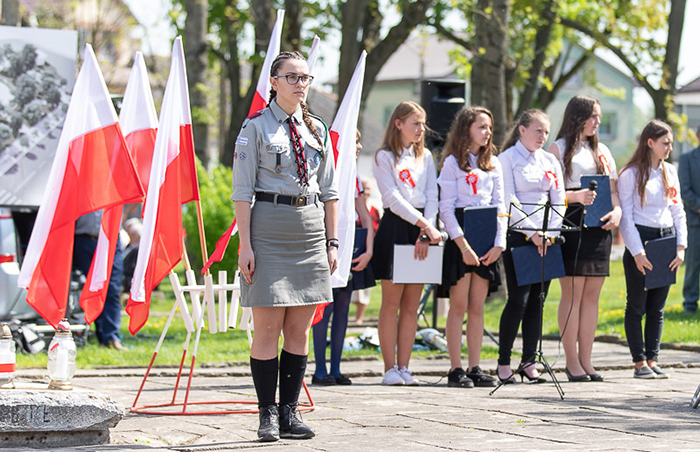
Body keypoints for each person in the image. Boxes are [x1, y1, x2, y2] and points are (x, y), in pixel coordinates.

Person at [231, 51, 338, 442]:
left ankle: (291, 413)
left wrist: (332, 240)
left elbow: (330, 191)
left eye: (305, 77)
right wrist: (246, 245)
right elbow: (242, 192)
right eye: (291, 77)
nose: (300, 84)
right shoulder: (255, 128)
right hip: (269, 230)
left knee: (299, 330)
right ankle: (267, 415)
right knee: (267, 329)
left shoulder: (318, 129)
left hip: (309, 232)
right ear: (273, 82)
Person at [547, 95, 622, 382]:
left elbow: (613, 191)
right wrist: (575, 196)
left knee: (592, 296)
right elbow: (550, 195)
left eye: (599, 116)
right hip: (572, 223)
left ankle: (588, 360)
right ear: (578, 116)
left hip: (600, 228)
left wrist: (617, 212)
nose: (598, 122)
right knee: (573, 294)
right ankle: (571, 361)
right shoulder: (558, 148)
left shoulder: (602, 150)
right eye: (593, 116)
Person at [372, 101, 441, 386]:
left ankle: (405, 366)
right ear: (398, 124)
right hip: (397, 228)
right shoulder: (384, 157)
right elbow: (392, 199)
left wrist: (427, 230)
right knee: (392, 303)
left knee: (412, 304)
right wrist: (424, 224)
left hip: (423, 231)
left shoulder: (425, 156)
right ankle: (389, 368)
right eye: (415, 123)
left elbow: (432, 196)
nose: (420, 129)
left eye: (422, 124)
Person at [496, 109, 565, 384]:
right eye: (538, 130)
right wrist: (532, 232)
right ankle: (503, 362)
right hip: (520, 236)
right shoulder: (507, 159)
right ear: (522, 129)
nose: (543, 136)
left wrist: (551, 232)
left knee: (539, 300)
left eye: (546, 132)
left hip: (547, 239)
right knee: (518, 300)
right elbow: (508, 199)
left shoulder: (549, 160)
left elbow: (558, 200)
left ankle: (529, 361)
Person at [437, 106, 503, 388]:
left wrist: (499, 243)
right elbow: (446, 209)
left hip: (486, 235)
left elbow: (501, 206)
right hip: (461, 237)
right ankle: (456, 368)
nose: (487, 132)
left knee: (478, 305)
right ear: (467, 129)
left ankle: (475, 366)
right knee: (459, 304)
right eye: (481, 127)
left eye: (489, 127)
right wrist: (462, 244)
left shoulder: (494, 163)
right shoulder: (452, 163)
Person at [618, 120, 687, 379]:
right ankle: (638, 362)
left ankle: (653, 358)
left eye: (670, 143)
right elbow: (626, 217)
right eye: (665, 143)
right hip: (642, 240)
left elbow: (677, 211)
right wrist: (637, 252)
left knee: (658, 306)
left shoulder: (670, 171)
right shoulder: (631, 174)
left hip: (666, 239)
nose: (670, 147)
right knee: (637, 305)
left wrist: (680, 246)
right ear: (650, 143)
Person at [312, 130, 375, 386]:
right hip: (325, 250)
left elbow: (365, 215)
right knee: (323, 311)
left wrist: (369, 248)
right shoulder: (325, 173)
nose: (358, 147)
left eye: (360, 142)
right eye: (354, 142)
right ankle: (319, 369)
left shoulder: (355, 178)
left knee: (342, 310)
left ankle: (336, 368)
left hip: (351, 252)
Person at [72, 210, 127, 351]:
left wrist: (125, 214)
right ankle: (99, 334)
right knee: (93, 288)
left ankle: (111, 337)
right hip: (85, 239)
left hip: (111, 237)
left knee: (112, 288)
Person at [352, 178, 381, 324]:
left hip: (367, 249)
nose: (367, 192)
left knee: (364, 291)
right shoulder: (353, 207)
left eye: (368, 189)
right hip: (354, 249)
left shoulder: (374, 210)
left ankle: (360, 317)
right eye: (365, 189)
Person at [679, 124, 700, 315]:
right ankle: (690, 305)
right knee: (693, 265)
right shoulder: (686, 159)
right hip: (695, 222)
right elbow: (684, 190)